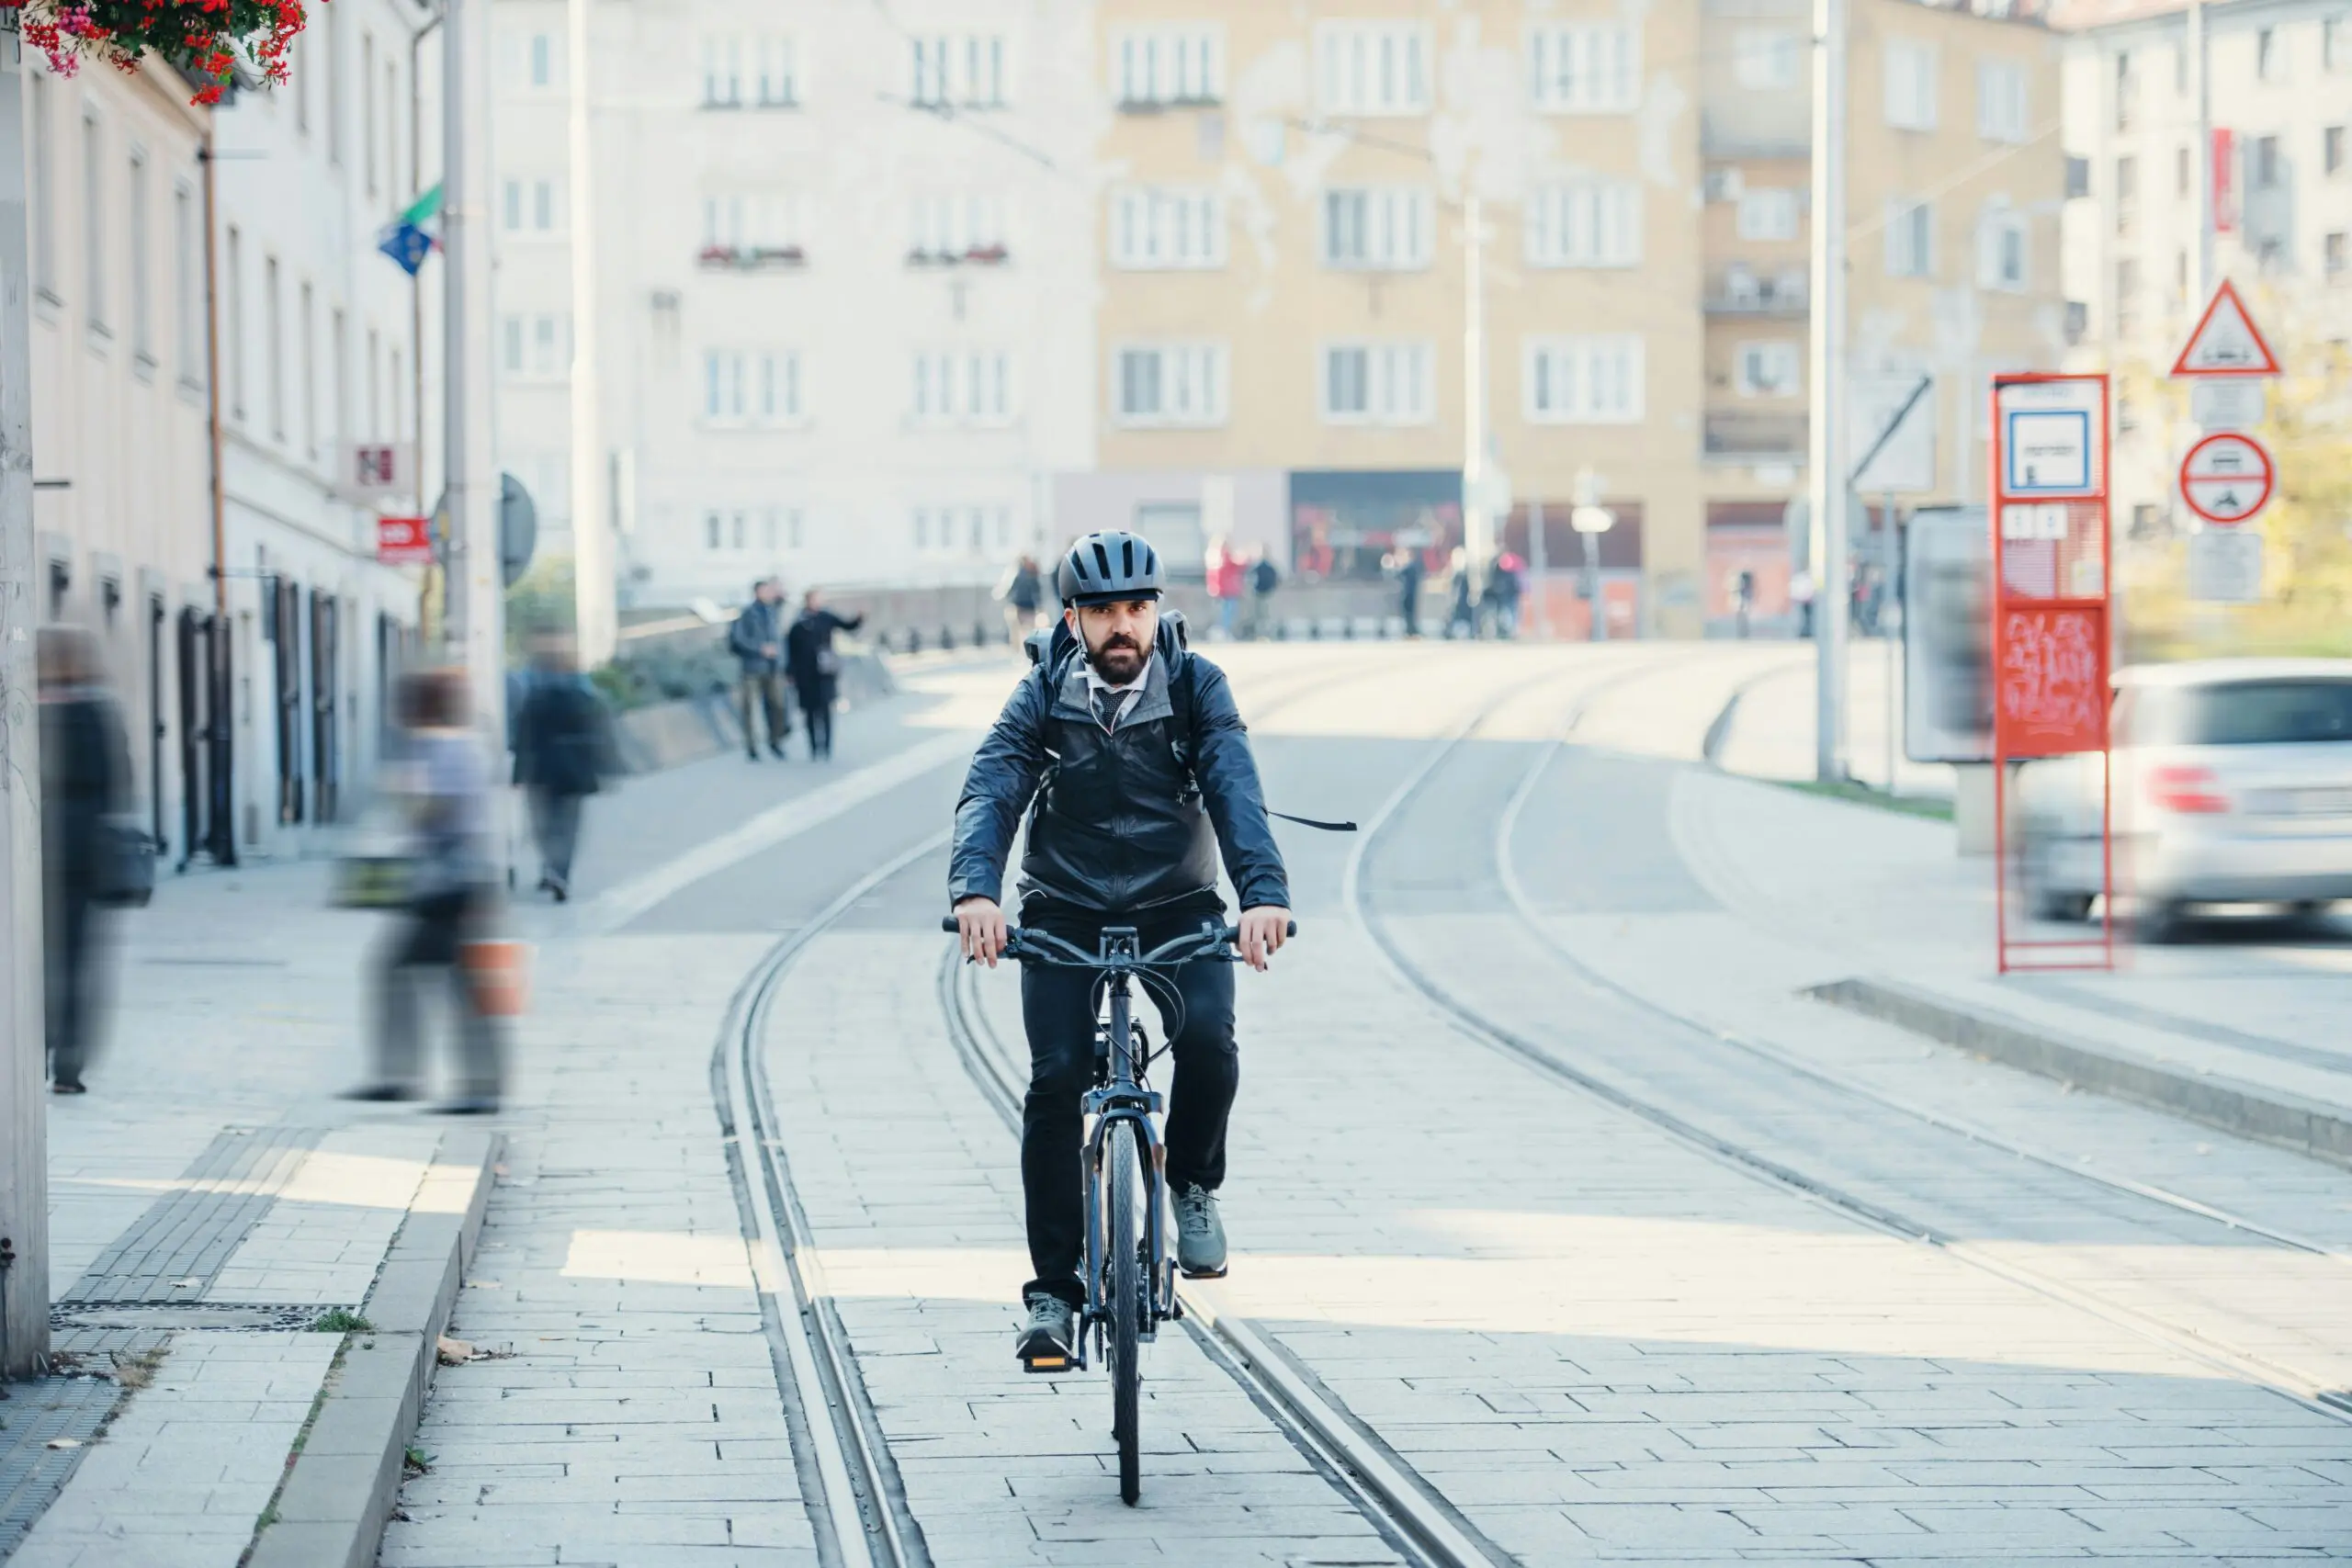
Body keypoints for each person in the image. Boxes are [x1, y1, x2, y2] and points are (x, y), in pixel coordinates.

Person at [949, 529, 1292, 1370]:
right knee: (1055, 1080)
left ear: (1157, 610)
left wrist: (1264, 896)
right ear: (1073, 617)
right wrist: (976, 891)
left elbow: (1234, 786)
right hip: (1062, 908)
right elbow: (994, 783)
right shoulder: (1040, 691)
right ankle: (1053, 1295)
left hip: (1179, 905)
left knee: (1210, 1038)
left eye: (1136, 607)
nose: (1121, 626)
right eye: (1102, 611)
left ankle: (1193, 1181)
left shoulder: (1197, 686)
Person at [348, 670, 503, 1112]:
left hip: (453, 882)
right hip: (448, 879)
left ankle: (464, 1082)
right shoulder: (444, 747)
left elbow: (439, 809)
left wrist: (406, 795)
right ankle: (412, 1075)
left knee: (452, 982)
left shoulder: (450, 749)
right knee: (418, 975)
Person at [39, 626, 129, 1095]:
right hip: (81, 858)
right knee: (75, 961)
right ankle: (69, 1064)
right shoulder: (95, 711)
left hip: (28, 858)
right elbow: (117, 784)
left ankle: (30, 1047)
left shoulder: (23, 710)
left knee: (26, 960)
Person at [511, 635, 619, 902]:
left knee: (543, 825)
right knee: (569, 827)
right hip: (575, 772)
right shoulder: (585, 695)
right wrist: (606, 768)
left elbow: (523, 737)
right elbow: (599, 733)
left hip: (542, 771)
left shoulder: (534, 696)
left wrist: (518, 774)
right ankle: (561, 872)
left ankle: (550, 867)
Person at [786, 588, 866, 760]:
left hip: (824, 671)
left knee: (826, 710)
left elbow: (847, 625)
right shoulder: (798, 623)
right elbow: (791, 650)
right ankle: (814, 747)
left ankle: (827, 746)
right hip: (804, 673)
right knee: (809, 712)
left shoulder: (826, 618)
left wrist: (859, 618)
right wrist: (790, 672)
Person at [728, 578, 791, 761]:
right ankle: (752, 746)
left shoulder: (773, 612)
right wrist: (760, 648)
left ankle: (775, 741)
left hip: (773, 667)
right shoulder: (747, 613)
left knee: (778, 705)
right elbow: (738, 639)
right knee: (750, 708)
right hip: (753, 667)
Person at [997, 555, 1044, 649]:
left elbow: (1011, 588)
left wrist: (1001, 595)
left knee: (1017, 631)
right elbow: (1037, 590)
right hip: (1030, 606)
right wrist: (1039, 605)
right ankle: (1029, 651)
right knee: (1030, 631)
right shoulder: (1033, 572)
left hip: (1019, 605)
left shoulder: (1016, 573)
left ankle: (1019, 652)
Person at [1204, 535, 1245, 640]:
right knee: (1227, 614)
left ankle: (1222, 633)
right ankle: (1224, 633)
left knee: (1224, 614)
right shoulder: (1223, 557)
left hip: (1221, 590)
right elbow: (1239, 565)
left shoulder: (1212, 557)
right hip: (1226, 590)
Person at [1386, 546, 1425, 637]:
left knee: (1408, 615)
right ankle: (1410, 630)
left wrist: (1394, 563)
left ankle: (1410, 630)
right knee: (1409, 615)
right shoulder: (1414, 566)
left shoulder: (1410, 566)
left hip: (1408, 596)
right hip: (1410, 595)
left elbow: (1397, 574)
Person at [1485, 552, 1524, 640]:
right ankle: (1506, 631)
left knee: (1509, 614)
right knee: (1507, 614)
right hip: (1504, 598)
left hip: (1508, 597)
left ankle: (1510, 631)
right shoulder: (1501, 572)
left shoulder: (1507, 572)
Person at [1247, 548, 1279, 639]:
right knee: (1260, 616)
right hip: (1259, 593)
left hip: (1267, 594)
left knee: (1266, 615)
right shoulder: (1257, 566)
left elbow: (1276, 578)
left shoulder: (1269, 567)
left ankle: (1267, 634)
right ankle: (1261, 634)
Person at [1446, 547, 1477, 638]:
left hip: (1463, 600)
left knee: (1462, 616)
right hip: (1457, 601)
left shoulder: (1464, 574)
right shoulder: (1456, 573)